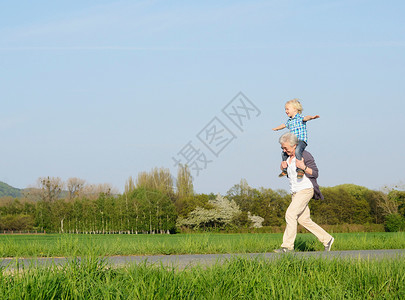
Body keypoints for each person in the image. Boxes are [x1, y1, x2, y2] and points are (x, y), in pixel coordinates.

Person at [274, 132, 334, 253]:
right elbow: (292, 176)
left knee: (290, 214)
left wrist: (304, 167)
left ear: (295, 145)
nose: (284, 150)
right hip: (295, 192)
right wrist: (283, 168)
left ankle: (287, 246)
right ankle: (327, 239)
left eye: (286, 147)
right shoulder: (287, 158)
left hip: (306, 189)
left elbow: (315, 173)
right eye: (282, 148)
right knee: (303, 220)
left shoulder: (305, 155)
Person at [273, 99, 320, 179]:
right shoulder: (289, 121)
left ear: (295, 109)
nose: (285, 111)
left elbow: (306, 118)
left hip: (301, 141)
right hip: (293, 142)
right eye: (285, 109)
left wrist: (312, 117)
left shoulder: (300, 118)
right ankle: (285, 169)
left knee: (298, 151)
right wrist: (276, 128)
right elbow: (283, 125)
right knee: (283, 153)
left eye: (287, 109)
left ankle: (300, 169)